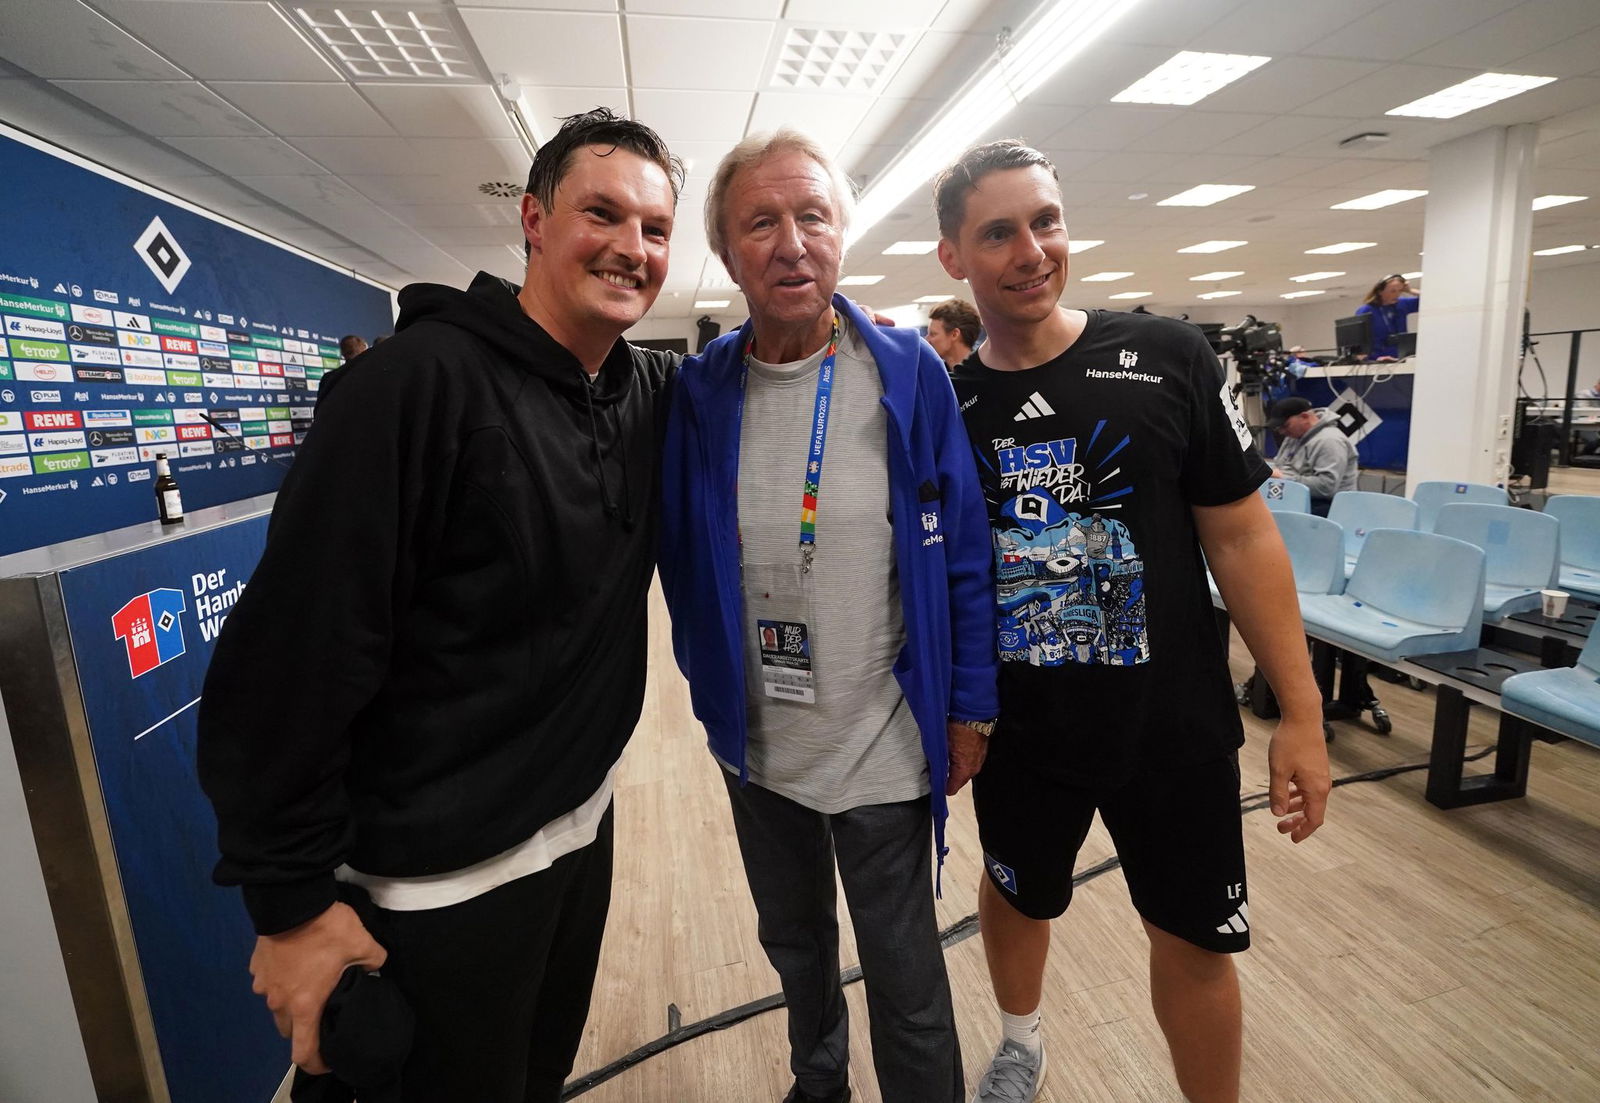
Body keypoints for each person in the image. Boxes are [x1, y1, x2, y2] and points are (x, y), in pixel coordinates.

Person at [197, 109, 685, 1103]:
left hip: (577, 832)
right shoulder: (413, 390)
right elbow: (291, 656)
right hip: (432, 887)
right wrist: (290, 905)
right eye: (604, 212)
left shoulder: (640, 391)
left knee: (530, 1078)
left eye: (656, 228)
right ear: (535, 221)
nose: (632, 247)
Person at [932, 139, 1331, 1103]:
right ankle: (1022, 1041)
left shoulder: (1166, 356)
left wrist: (1304, 712)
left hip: (1173, 728)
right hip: (1021, 733)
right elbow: (935, 577)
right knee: (1020, 892)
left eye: (1047, 221)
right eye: (998, 232)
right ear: (954, 257)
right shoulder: (945, 403)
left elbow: (1240, 538)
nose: (1031, 250)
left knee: (1194, 940)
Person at [658, 129, 999, 1103]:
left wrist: (969, 705)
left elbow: (963, 554)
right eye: (760, 221)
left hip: (879, 738)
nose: (791, 241)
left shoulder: (905, 372)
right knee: (795, 942)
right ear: (726, 253)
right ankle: (819, 1081)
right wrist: (702, 673)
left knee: (905, 971)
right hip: (757, 743)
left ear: (842, 233)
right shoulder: (698, 392)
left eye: (812, 215)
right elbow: (679, 553)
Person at [1266, 396, 1359, 516]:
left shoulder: (1329, 441)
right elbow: (1280, 465)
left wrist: (1284, 478)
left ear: (1305, 417)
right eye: (1279, 428)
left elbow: (1326, 487)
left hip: (1329, 506)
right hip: (1297, 496)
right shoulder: (1293, 436)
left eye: (1286, 425)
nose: (1282, 432)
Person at [1354, 274, 1418, 361]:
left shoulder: (1402, 304)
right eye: (1393, 291)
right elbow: (1358, 342)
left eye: (1400, 291)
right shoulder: (1366, 310)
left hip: (1401, 357)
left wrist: (1410, 290)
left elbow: (1430, 300)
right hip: (1378, 359)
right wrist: (1374, 358)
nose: (1397, 295)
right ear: (1380, 291)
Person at [927, 297, 981, 369]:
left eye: (933, 334)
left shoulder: (984, 374)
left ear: (954, 334)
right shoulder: (936, 374)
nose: (927, 340)